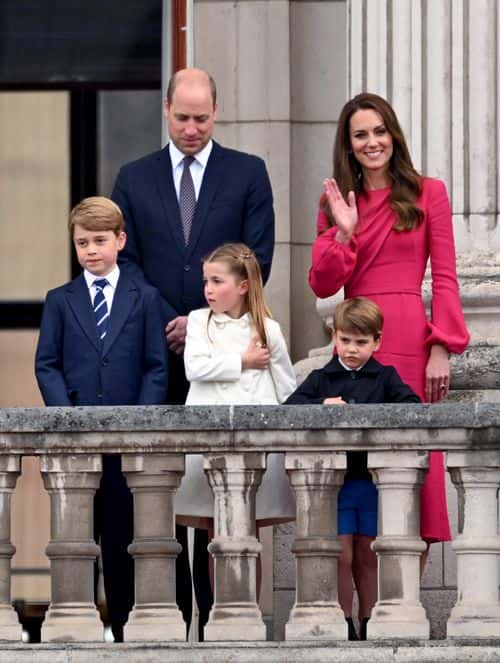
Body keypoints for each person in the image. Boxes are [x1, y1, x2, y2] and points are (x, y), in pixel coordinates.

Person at [111, 67, 275, 635]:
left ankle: (226, 619)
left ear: (216, 112)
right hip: (156, 356)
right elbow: (121, 262)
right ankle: (168, 617)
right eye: (182, 118)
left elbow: (258, 257)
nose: (191, 128)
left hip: (228, 358)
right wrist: (171, 321)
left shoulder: (247, 173)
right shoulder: (134, 178)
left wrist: (206, 322)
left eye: (202, 118)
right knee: (158, 489)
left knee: (224, 496)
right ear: (165, 111)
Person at [309, 93, 470, 552]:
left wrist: (441, 345)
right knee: (362, 470)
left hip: (409, 338)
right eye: (361, 134)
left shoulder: (428, 192)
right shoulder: (336, 200)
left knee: (414, 469)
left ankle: (406, 609)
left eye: (380, 131)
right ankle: (363, 614)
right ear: (349, 143)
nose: (372, 141)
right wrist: (344, 230)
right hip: (357, 339)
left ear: (393, 136)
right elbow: (322, 284)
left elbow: (445, 275)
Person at [35, 196, 168, 642]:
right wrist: (67, 420)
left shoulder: (145, 298)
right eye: (82, 243)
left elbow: (155, 365)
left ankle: (126, 628)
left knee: (121, 536)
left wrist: (139, 422)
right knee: (75, 539)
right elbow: (47, 364)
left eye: (99, 241)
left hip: (126, 444)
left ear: (120, 241)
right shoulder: (60, 300)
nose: (91, 250)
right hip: (76, 443)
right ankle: (79, 626)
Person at [285, 297, 420, 640]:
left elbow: (412, 407)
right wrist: (322, 405)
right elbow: (289, 409)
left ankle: (369, 620)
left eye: (361, 342)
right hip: (336, 483)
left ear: (377, 342)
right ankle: (343, 620)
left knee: (369, 553)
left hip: (372, 482)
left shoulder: (385, 377)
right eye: (345, 340)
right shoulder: (321, 377)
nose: (351, 349)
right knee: (340, 553)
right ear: (334, 337)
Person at [177, 243, 296, 600]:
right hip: (207, 438)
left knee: (248, 533)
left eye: (217, 281)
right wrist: (241, 361)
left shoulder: (268, 329)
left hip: (255, 441)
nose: (208, 289)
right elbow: (193, 368)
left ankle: (248, 614)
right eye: (206, 281)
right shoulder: (199, 321)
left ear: (242, 285)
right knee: (216, 532)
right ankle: (220, 614)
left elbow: (286, 387)